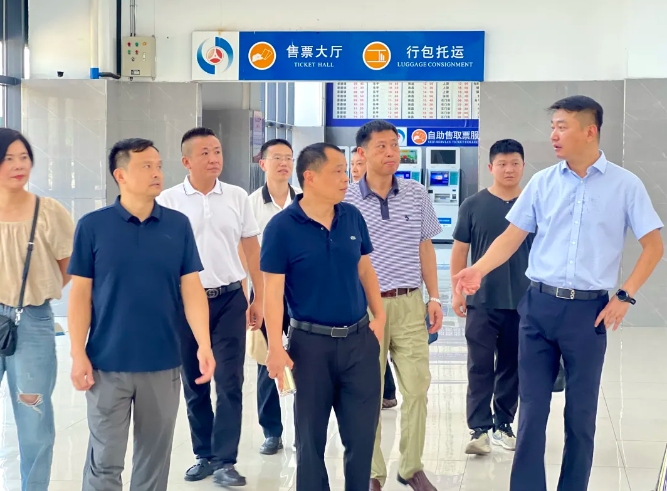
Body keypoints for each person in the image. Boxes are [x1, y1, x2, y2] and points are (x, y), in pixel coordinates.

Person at [454, 95, 664, 491]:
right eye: (552, 127)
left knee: (580, 415)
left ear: (590, 131)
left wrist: (625, 295)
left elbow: (654, 246)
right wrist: (478, 269)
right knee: (532, 412)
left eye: (562, 127)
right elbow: (512, 236)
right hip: (538, 307)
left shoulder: (625, 185)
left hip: (588, 313)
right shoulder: (543, 182)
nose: (553, 134)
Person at [67, 138, 216, 491]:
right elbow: (80, 295)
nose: (156, 173)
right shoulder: (92, 226)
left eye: (159, 165)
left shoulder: (177, 225)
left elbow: (192, 290)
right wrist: (77, 353)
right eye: (146, 166)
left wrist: (203, 344)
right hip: (107, 364)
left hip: (163, 363)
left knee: (153, 462)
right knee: (104, 459)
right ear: (120, 175)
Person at [262, 142, 386, 491]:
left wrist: (378, 317)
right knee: (310, 441)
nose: (346, 178)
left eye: (346, 171)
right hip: (309, 346)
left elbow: (365, 269)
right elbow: (272, 293)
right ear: (310, 177)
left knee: (362, 438)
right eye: (337, 171)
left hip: (359, 342)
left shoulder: (351, 217)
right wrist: (275, 347)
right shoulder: (281, 228)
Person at [156, 127, 263, 486]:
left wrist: (258, 297)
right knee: (195, 381)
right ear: (186, 161)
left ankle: (225, 461)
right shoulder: (169, 200)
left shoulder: (236, 196)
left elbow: (252, 251)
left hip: (230, 299)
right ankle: (203, 454)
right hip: (186, 304)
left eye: (217, 151)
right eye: (205, 153)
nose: (214, 158)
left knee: (230, 380)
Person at [346, 120, 443, 491]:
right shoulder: (346, 199)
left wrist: (434, 297)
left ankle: (411, 466)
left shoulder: (416, 193)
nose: (391, 153)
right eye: (382, 146)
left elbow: (425, 246)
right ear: (362, 153)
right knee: (367, 392)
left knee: (417, 387)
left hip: (409, 303)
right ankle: (372, 473)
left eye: (394, 145)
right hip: (365, 309)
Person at [0, 129, 74, 491]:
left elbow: (68, 265)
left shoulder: (49, 211)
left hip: (30, 320)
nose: (19, 165)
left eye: (24, 157)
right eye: (8, 158)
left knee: (34, 418)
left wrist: (35, 290)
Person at [450, 139, 532, 456]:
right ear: (490, 167)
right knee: (479, 366)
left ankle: (503, 424)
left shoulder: (533, 204)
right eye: (502, 164)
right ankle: (480, 429)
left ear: (523, 166)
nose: (509, 169)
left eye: (515, 163)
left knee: (513, 365)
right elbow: (460, 250)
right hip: (481, 301)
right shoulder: (473, 204)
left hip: (524, 301)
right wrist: (457, 292)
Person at [247, 138, 299, 455]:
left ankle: (305, 428)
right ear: (262, 163)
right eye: (277, 157)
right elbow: (245, 254)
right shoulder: (250, 205)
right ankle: (271, 431)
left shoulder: (304, 200)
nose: (284, 163)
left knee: (307, 358)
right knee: (267, 360)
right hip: (265, 290)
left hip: (302, 291)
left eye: (288, 157)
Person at [350, 145, 397, 409]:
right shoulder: (345, 200)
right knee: (370, 355)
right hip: (359, 296)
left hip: (397, 293)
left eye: (359, 164)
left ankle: (387, 392)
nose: (355, 169)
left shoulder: (410, 193)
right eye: (352, 166)